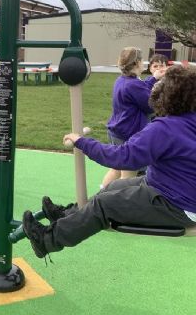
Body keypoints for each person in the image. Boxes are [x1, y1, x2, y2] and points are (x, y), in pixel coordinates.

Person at [22, 66, 196, 259]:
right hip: (169, 187)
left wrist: (82, 142)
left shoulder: (166, 128)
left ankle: (47, 240)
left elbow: (123, 157)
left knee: (104, 204)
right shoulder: (188, 120)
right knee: (114, 186)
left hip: (177, 204)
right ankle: (69, 215)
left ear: (168, 98)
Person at [101, 47, 165, 188]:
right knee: (128, 176)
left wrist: (154, 78)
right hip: (127, 134)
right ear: (136, 63)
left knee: (116, 169)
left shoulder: (123, 80)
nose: (143, 63)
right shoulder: (133, 85)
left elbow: (141, 89)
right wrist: (160, 86)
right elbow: (150, 106)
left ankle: (99, 198)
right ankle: (112, 204)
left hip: (117, 132)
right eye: (142, 60)